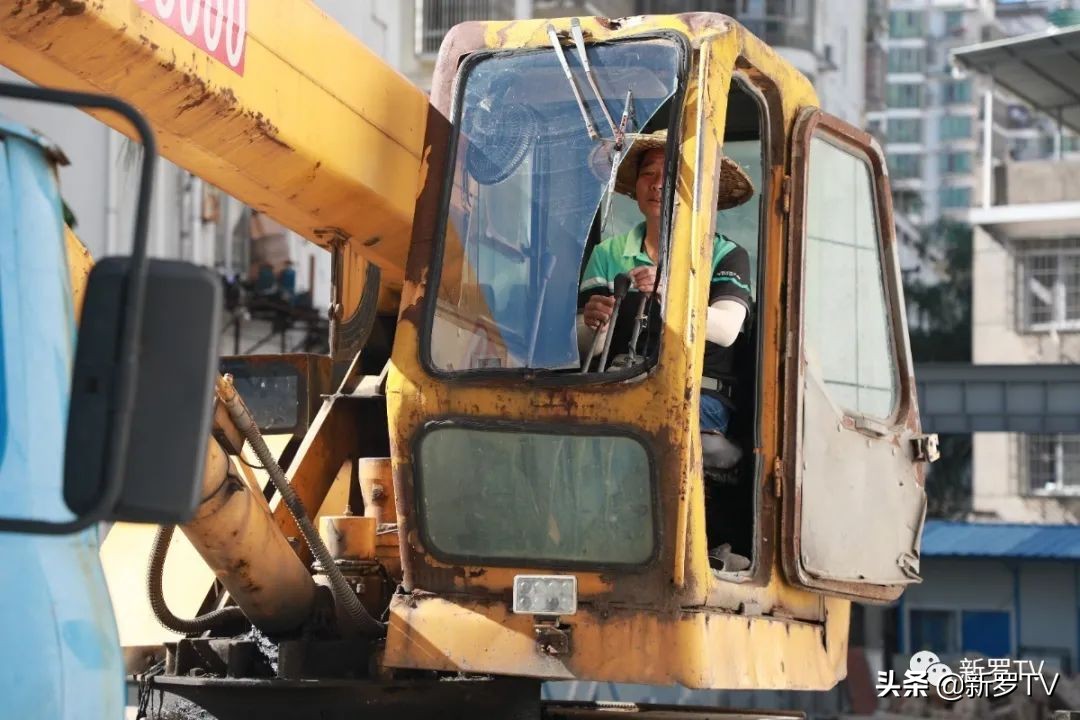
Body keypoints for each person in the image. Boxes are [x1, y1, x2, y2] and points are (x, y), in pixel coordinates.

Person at [577, 129, 754, 470]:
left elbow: (726, 329)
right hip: (619, 383)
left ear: (695, 190)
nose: (657, 184)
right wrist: (596, 325)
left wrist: (667, 291)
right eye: (648, 174)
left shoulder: (725, 254)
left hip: (698, 396)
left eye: (671, 174)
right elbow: (585, 347)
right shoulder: (608, 253)